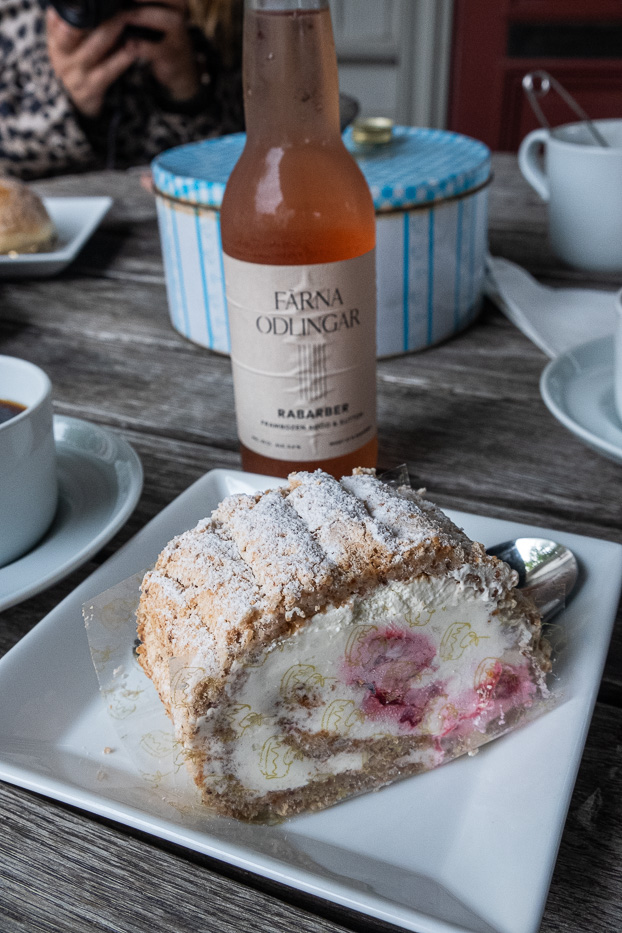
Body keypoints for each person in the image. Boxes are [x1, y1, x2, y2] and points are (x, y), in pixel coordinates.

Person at [0, 0, 243, 180]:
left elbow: (247, 160)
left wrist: (188, 93)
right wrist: (58, 106)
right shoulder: (15, 17)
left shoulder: (229, 17)